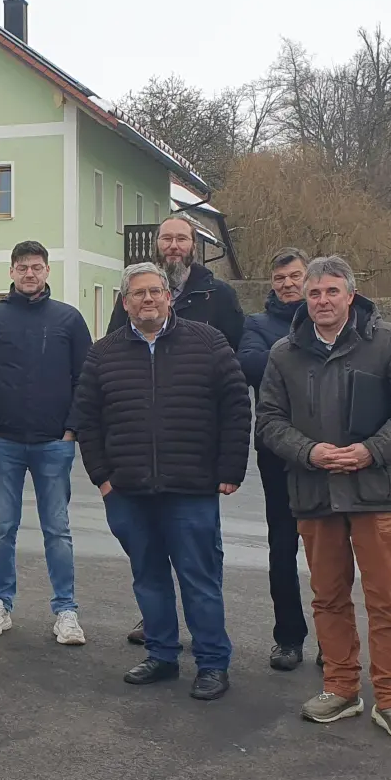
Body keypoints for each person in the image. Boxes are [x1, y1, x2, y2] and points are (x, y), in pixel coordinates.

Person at [255, 255, 391, 742]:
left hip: (375, 493)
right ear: (304, 299)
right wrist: (309, 451)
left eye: (332, 292)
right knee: (329, 599)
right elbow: (269, 421)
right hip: (315, 494)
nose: (323, 301)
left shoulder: (387, 341)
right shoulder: (284, 353)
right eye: (314, 293)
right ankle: (340, 687)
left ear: (350, 295)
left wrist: (371, 450)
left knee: (387, 601)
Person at [74, 262, 250, 700]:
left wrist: (230, 468)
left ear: (170, 297)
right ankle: (162, 654)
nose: (148, 299)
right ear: (124, 302)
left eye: (156, 291)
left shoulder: (208, 342)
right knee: (148, 578)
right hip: (128, 490)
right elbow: (87, 421)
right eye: (138, 294)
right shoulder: (103, 353)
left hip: (191, 488)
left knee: (199, 577)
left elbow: (236, 407)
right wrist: (103, 479)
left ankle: (212, 663)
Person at [109, 215, 246, 645]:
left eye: (181, 239)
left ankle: (208, 643)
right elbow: (110, 369)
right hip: (138, 463)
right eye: (166, 238)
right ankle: (157, 633)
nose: (173, 245)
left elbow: (234, 385)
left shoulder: (217, 295)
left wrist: (228, 463)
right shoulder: (132, 293)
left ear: (194, 245)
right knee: (148, 561)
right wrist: (103, 472)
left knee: (200, 561)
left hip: (193, 458)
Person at [0, 241, 92, 645]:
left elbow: (85, 379)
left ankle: (66, 611)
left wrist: (72, 428)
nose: (29, 274)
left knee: (57, 529)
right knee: (3, 527)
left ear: (47, 272)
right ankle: (0, 604)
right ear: (11, 272)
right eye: (22, 267)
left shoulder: (69, 320)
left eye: (36, 267)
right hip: (2, 441)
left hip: (54, 443)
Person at [237, 247, 313, 671]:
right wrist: (305, 360)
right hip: (277, 453)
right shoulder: (258, 325)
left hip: (328, 452)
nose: (288, 284)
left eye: (295, 276)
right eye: (280, 278)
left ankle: (336, 641)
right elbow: (248, 364)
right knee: (282, 548)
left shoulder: (334, 321)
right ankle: (288, 637)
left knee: (331, 552)